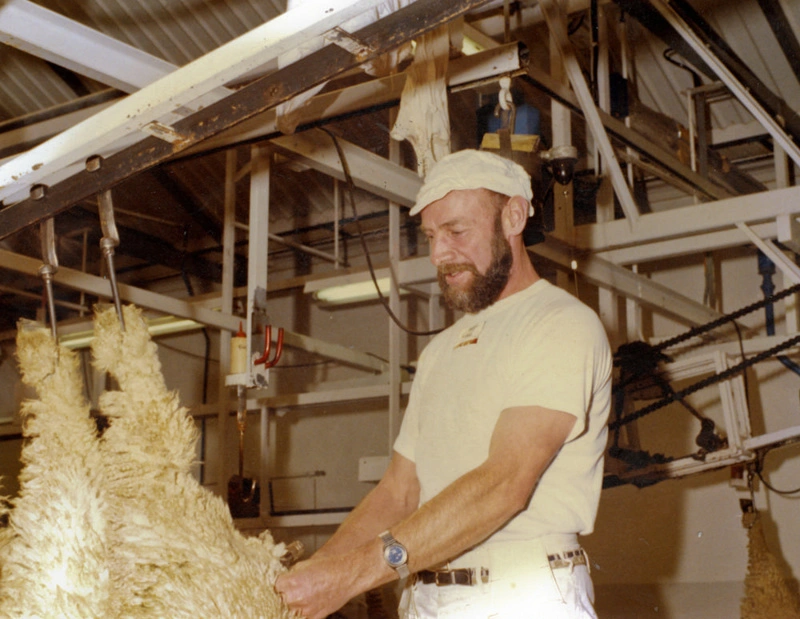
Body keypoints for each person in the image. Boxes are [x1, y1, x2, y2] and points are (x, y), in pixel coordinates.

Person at [275, 149, 612, 619]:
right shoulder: (439, 351)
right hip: (426, 597)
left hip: (521, 595)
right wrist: (316, 570)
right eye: (431, 236)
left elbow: (504, 483)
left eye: (456, 231)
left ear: (513, 216)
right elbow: (399, 491)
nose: (438, 254)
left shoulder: (558, 323)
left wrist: (351, 575)